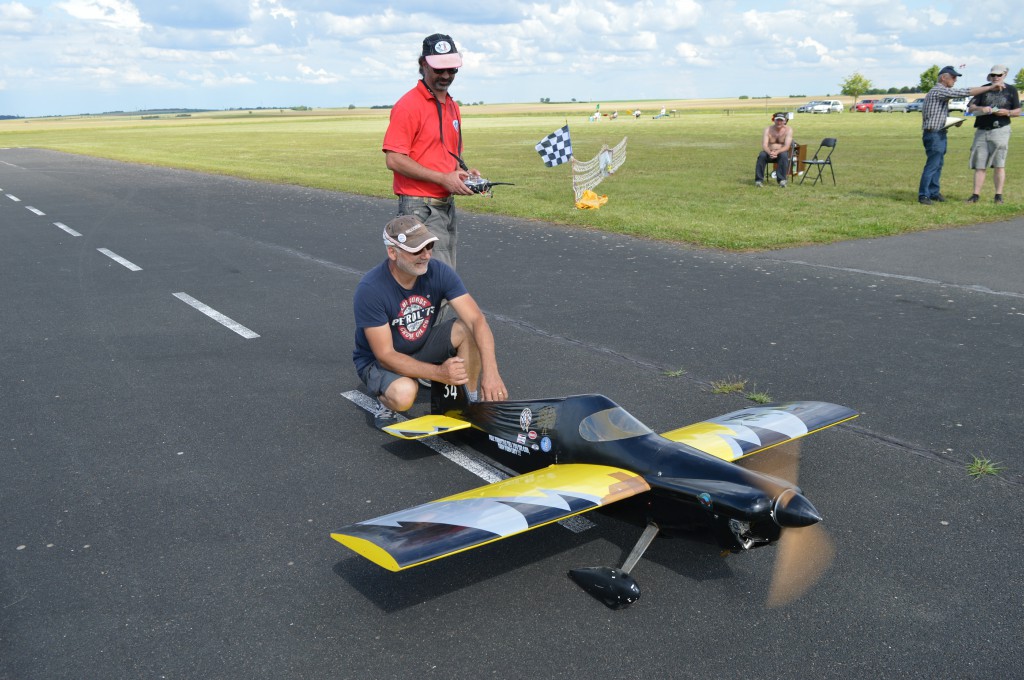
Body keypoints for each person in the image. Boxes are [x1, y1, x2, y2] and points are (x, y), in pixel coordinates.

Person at [353, 215, 508, 429]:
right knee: (405, 394)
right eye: (417, 250)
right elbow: (385, 356)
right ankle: (384, 400)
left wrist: (491, 373)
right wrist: (440, 374)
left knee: (468, 328)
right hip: (379, 362)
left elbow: (476, 320)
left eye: (430, 246)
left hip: (419, 345)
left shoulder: (438, 271)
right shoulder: (371, 289)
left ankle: (468, 403)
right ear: (392, 252)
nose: (426, 255)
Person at [382, 33, 480, 270]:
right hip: (420, 208)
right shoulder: (408, 105)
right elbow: (394, 159)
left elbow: (449, 157)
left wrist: (463, 175)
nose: (446, 76)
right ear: (423, 64)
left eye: (452, 69)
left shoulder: (452, 106)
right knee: (433, 286)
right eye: (439, 69)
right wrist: (442, 178)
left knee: (442, 284)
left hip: (445, 207)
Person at [918, 65, 1004, 205]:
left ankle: (933, 192)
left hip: (938, 132)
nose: (955, 80)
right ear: (943, 78)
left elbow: (936, 115)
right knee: (933, 164)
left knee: (938, 164)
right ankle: (923, 195)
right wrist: (989, 87)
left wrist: (952, 122)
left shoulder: (939, 92)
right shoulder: (939, 90)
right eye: (953, 77)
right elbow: (965, 92)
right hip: (934, 134)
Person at [965, 65, 1021, 204]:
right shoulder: (983, 89)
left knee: (999, 164)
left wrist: (1007, 112)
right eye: (993, 75)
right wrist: (982, 108)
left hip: (1000, 129)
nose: (995, 78)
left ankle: (998, 196)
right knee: (979, 164)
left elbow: (1017, 111)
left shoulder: (1011, 90)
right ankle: (975, 195)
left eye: (998, 75)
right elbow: (971, 107)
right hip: (982, 130)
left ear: (1005, 75)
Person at [755, 113, 794, 188]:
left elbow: (786, 146)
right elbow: (764, 145)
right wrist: (770, 153)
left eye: (781, 120)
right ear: (774, 120)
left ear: (784, 121)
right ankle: (758, 180)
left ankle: (782, 180)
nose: (779, 122)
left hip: (781, 152)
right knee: (762, 155)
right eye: (777, 120)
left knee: (784, 155)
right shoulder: (768, 129)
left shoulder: (788, 130)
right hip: (769, 151)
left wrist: (776, 152)